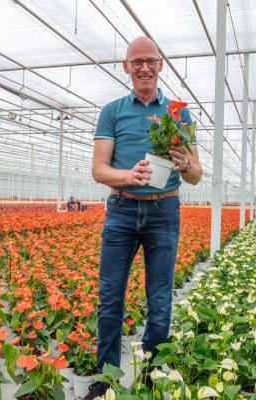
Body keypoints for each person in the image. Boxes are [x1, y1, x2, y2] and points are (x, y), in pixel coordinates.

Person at [86, 36, 203, 399]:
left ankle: (152, 374)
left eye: (150, 60)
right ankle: (105, 377)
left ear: (160, 64)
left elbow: (197, 174)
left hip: (163, 210)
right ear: (126, 67)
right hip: (121, 211)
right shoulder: (113, 111)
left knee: (160, 298)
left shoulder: (178, 114)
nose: (144, 67)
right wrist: (126, 176)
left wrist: (185, 164)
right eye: (136, 61)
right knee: (110, 297)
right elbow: (98, 169)